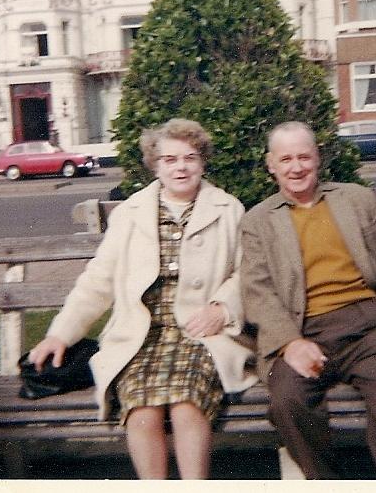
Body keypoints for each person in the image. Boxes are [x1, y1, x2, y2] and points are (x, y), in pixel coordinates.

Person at [29, 118, 257, 479]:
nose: (180, 167)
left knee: (186, 403)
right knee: (141, 409)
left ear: (202, 162)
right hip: (141, 336)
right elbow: (98, 279)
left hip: (200, 334)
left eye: (189, 157)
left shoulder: (228, 209)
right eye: (170, 159)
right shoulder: (131, 214)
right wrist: (61, 334)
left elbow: (247, 273)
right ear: (155, 164)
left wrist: (222, 307)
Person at [239, 121, 376, 479]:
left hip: (367, 327)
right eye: (286, 159)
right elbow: (257, 291)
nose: (296, 167)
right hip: (303, 331)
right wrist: (289, 343)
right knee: (288, 402)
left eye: (304, 157)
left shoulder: (355, 199)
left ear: (318, 158)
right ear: (271, 165)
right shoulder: (258, 221)